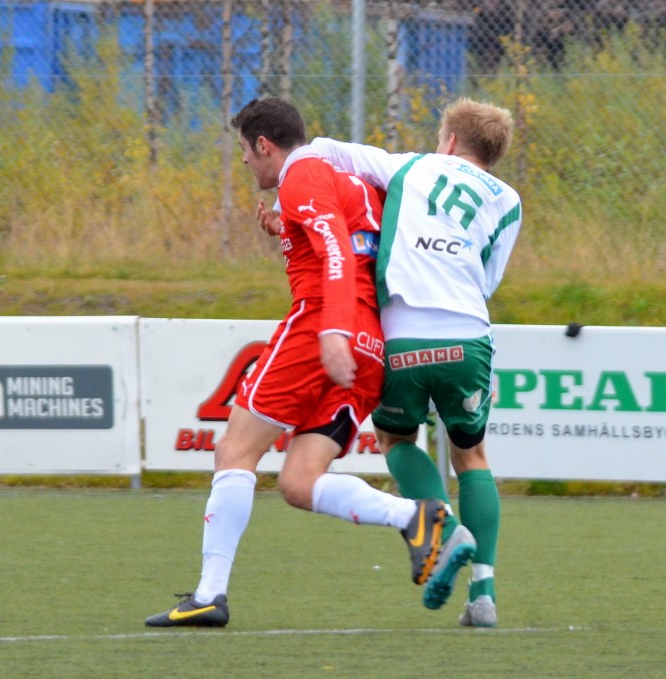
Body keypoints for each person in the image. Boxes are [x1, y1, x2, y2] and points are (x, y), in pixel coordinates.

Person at [145, 97, 468, 629]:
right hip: (372, 344)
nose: (244, 161)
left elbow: (336, 251)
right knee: (299, 482)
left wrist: (332, 328)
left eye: (245, 150)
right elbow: (359, 241)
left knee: (234, 449)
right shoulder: (354, 180)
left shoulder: (302, 174)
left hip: (323, 325)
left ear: (264, 145)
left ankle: (209, 594)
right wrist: (288, 230)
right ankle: (416, 515)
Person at [282, 97, 522, 627]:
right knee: (472, 456)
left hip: (401, 338)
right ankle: (483, 593)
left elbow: (323, 150)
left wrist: (289, 206)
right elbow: (489, 278)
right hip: (467, 337)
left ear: (450, 141)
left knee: (396, 441)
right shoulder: (509, 200)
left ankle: (443, 531)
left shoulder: (412, 166)